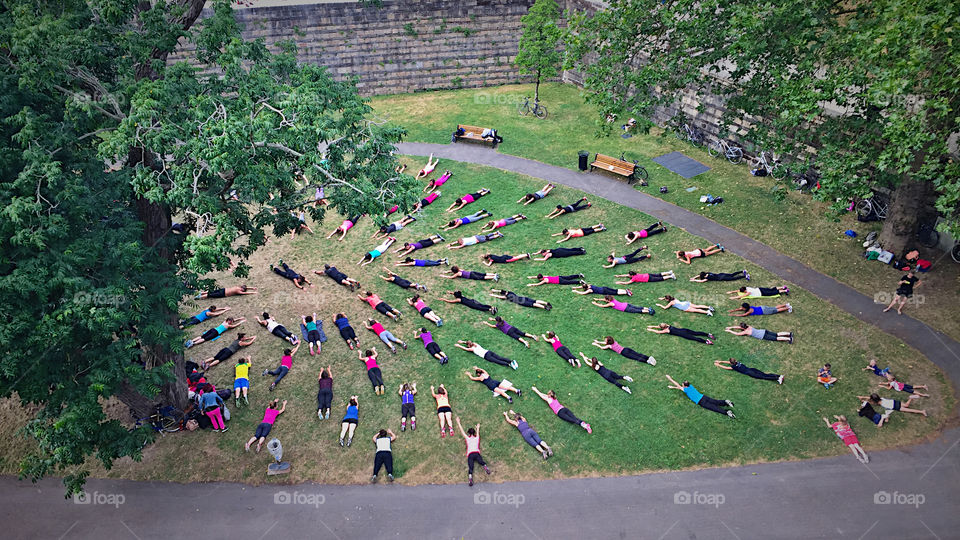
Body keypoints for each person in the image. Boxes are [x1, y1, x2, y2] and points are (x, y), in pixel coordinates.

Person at [665, 374, 735, 418]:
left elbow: (678, 385)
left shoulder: (685, 389)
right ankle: (725, 402)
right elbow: (680, 388)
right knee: (715, 401)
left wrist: (670, 378)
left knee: (713, 407)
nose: (681, 384)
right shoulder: (690, 386)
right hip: (703, 397)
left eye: (682, 384)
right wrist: (672, 387)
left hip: (701, 401)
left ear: (685, 386)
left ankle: (726, 412)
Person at [456, 417, 491, 486]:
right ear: (474, 433)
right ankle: (485, 467)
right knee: (481, 461)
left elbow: (462, 431)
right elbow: (478, 432)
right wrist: (478, 427)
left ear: (469, 433)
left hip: (470, 454)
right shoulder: (477, 438)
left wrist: (458, 422)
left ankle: (470, 478)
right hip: (476, 453)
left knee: (471, 467)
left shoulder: (467, 438)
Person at [714, 358, 783, 384]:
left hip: (750, 373)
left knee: (763, 377)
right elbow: (728, 362)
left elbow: (726, 367)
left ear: (731, 363)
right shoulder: (736, 362)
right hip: (751, 369)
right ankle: (779, 376)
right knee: (764, 374)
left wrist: (718, 365)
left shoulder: (733, 367)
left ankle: (777, 378)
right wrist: (720, 361)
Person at [859, 393, 927, 418]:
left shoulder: (879, 403)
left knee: (909, 410)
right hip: (894, 402)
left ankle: (922, 411)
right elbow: (871, 399)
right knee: (906, 405)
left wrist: (864, 400)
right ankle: (910, 398)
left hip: (894, 406)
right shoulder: (881, 399)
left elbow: (871, 402)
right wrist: (863, 397)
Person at [646, 322, 714, 344]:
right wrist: (652, 326)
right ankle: (708, 334)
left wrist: (651, 330)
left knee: (694, 338)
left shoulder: (666, 330)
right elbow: (659, 327)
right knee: (696, 333)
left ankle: (706, 341)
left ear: (663, 327)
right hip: (684, 330)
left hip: (683, 334)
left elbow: (658, 332)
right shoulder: (668, 325)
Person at [725, 323, 793, 343]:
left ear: (743, 328)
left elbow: (737, 334)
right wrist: (730, 327)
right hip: (763, 331)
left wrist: (730, 330)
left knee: (776, 338)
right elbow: (739, 327)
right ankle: (789, 334)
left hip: (763, 335)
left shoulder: (746, 332)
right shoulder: (749, 326)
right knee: (777, 334)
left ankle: (789, 339)